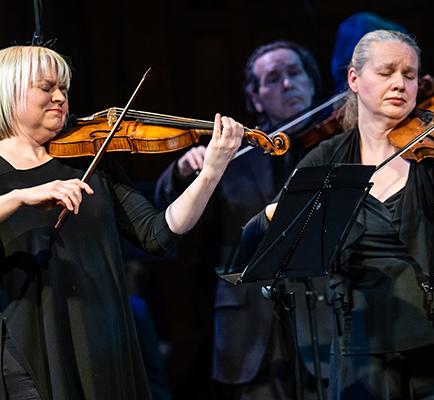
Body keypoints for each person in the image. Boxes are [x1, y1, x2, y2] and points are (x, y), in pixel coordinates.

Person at [0, 45, 245, 400]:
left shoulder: (92, 160)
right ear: (7, 92)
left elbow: (159, 232)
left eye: (63, 88)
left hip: (103, 340)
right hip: (32, 349)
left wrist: (212, 171)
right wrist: (18, 197)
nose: (60, 97)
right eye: (46, 88)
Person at [251, 30, 434, 398]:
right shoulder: (328, 159)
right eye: (386, 72)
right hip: (364, 354)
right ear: (354, 79)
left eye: (409, 74)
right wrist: (278, 215)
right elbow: (259, 235)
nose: (400, 84)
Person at [155, 41, 332, 399]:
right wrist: (182, 172)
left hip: (320, 319)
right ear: (255, 98)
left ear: (312, 83)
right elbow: (164, 217)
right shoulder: (231, 158)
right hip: (249, 327)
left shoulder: (334, 146)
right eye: (273, 78)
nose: (287, 85)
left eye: (294, 73)